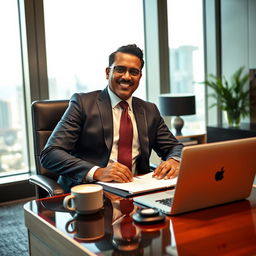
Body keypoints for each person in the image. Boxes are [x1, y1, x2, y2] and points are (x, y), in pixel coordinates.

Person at [40, 44, 184, 192]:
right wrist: (97, 172)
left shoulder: (149, 110)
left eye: (134, 72)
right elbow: (50, 154)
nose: (126, 77)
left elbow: (174, 147)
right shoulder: (83, 104)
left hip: (138, 192)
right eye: (120, 69)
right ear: (108, 72)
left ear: (140, 77)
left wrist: (174, 160)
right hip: (90, 191)